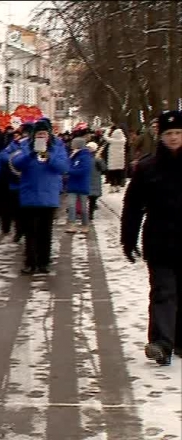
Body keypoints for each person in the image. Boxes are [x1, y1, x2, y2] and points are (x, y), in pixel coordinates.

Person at [121, 110, 182, 366]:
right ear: (160, 135)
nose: (174, 138)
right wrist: (128, 238)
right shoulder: (148, 167)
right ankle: (161, 343)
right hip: (160, 240)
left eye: (178, 133)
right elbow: (133, 205)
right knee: (163, 292)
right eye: (169, 133)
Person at [10, 119, 69, 274]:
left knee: (45, 231)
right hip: (29, 194)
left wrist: (49, 156)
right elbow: (16, 163)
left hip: (48, 195)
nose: (41, 137)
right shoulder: (24, 146)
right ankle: (30, 262)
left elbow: (63, 168)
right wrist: (31, 154)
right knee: (30, 232)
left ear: (49, 135)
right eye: (38, 134)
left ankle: (44, 261)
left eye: (44, 134)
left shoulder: (58, 147)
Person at [0, 122, 33, 242]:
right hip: (15, 184)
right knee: (17, 211)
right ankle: (19, 231)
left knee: (29, 212)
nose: (23, 136)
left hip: (30, 185)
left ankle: (28, 231)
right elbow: (2, 155)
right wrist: (12, 159)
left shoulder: (34, 146)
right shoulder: (14, 145)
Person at [65, 137, 92, 234]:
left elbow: (84, 170)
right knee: (71, 206)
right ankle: (71, 224)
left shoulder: (85, 156)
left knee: (83, 207)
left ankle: (85, 225)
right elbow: (67, 165)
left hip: (82, 185)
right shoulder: (72, 155)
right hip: (72, 184)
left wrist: (69, 171)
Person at [104, 126, 127, 192]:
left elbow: (105, 137)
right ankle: (118, 186)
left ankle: (112, 186)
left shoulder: (112, 141)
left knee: (112, 174)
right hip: (120, 161)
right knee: (119, 173)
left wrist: (107, 131)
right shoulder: (123, 140)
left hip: (112, 161)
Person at [87, 141, 106, 220]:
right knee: (91, 198)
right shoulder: (95, 158)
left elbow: (104, 168)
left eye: (89, 148)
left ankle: (89, 213)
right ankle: (89, 213)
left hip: (91, 181)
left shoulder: (95, 158)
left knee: (90, 198)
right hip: (91, 181)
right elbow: (104, 168)